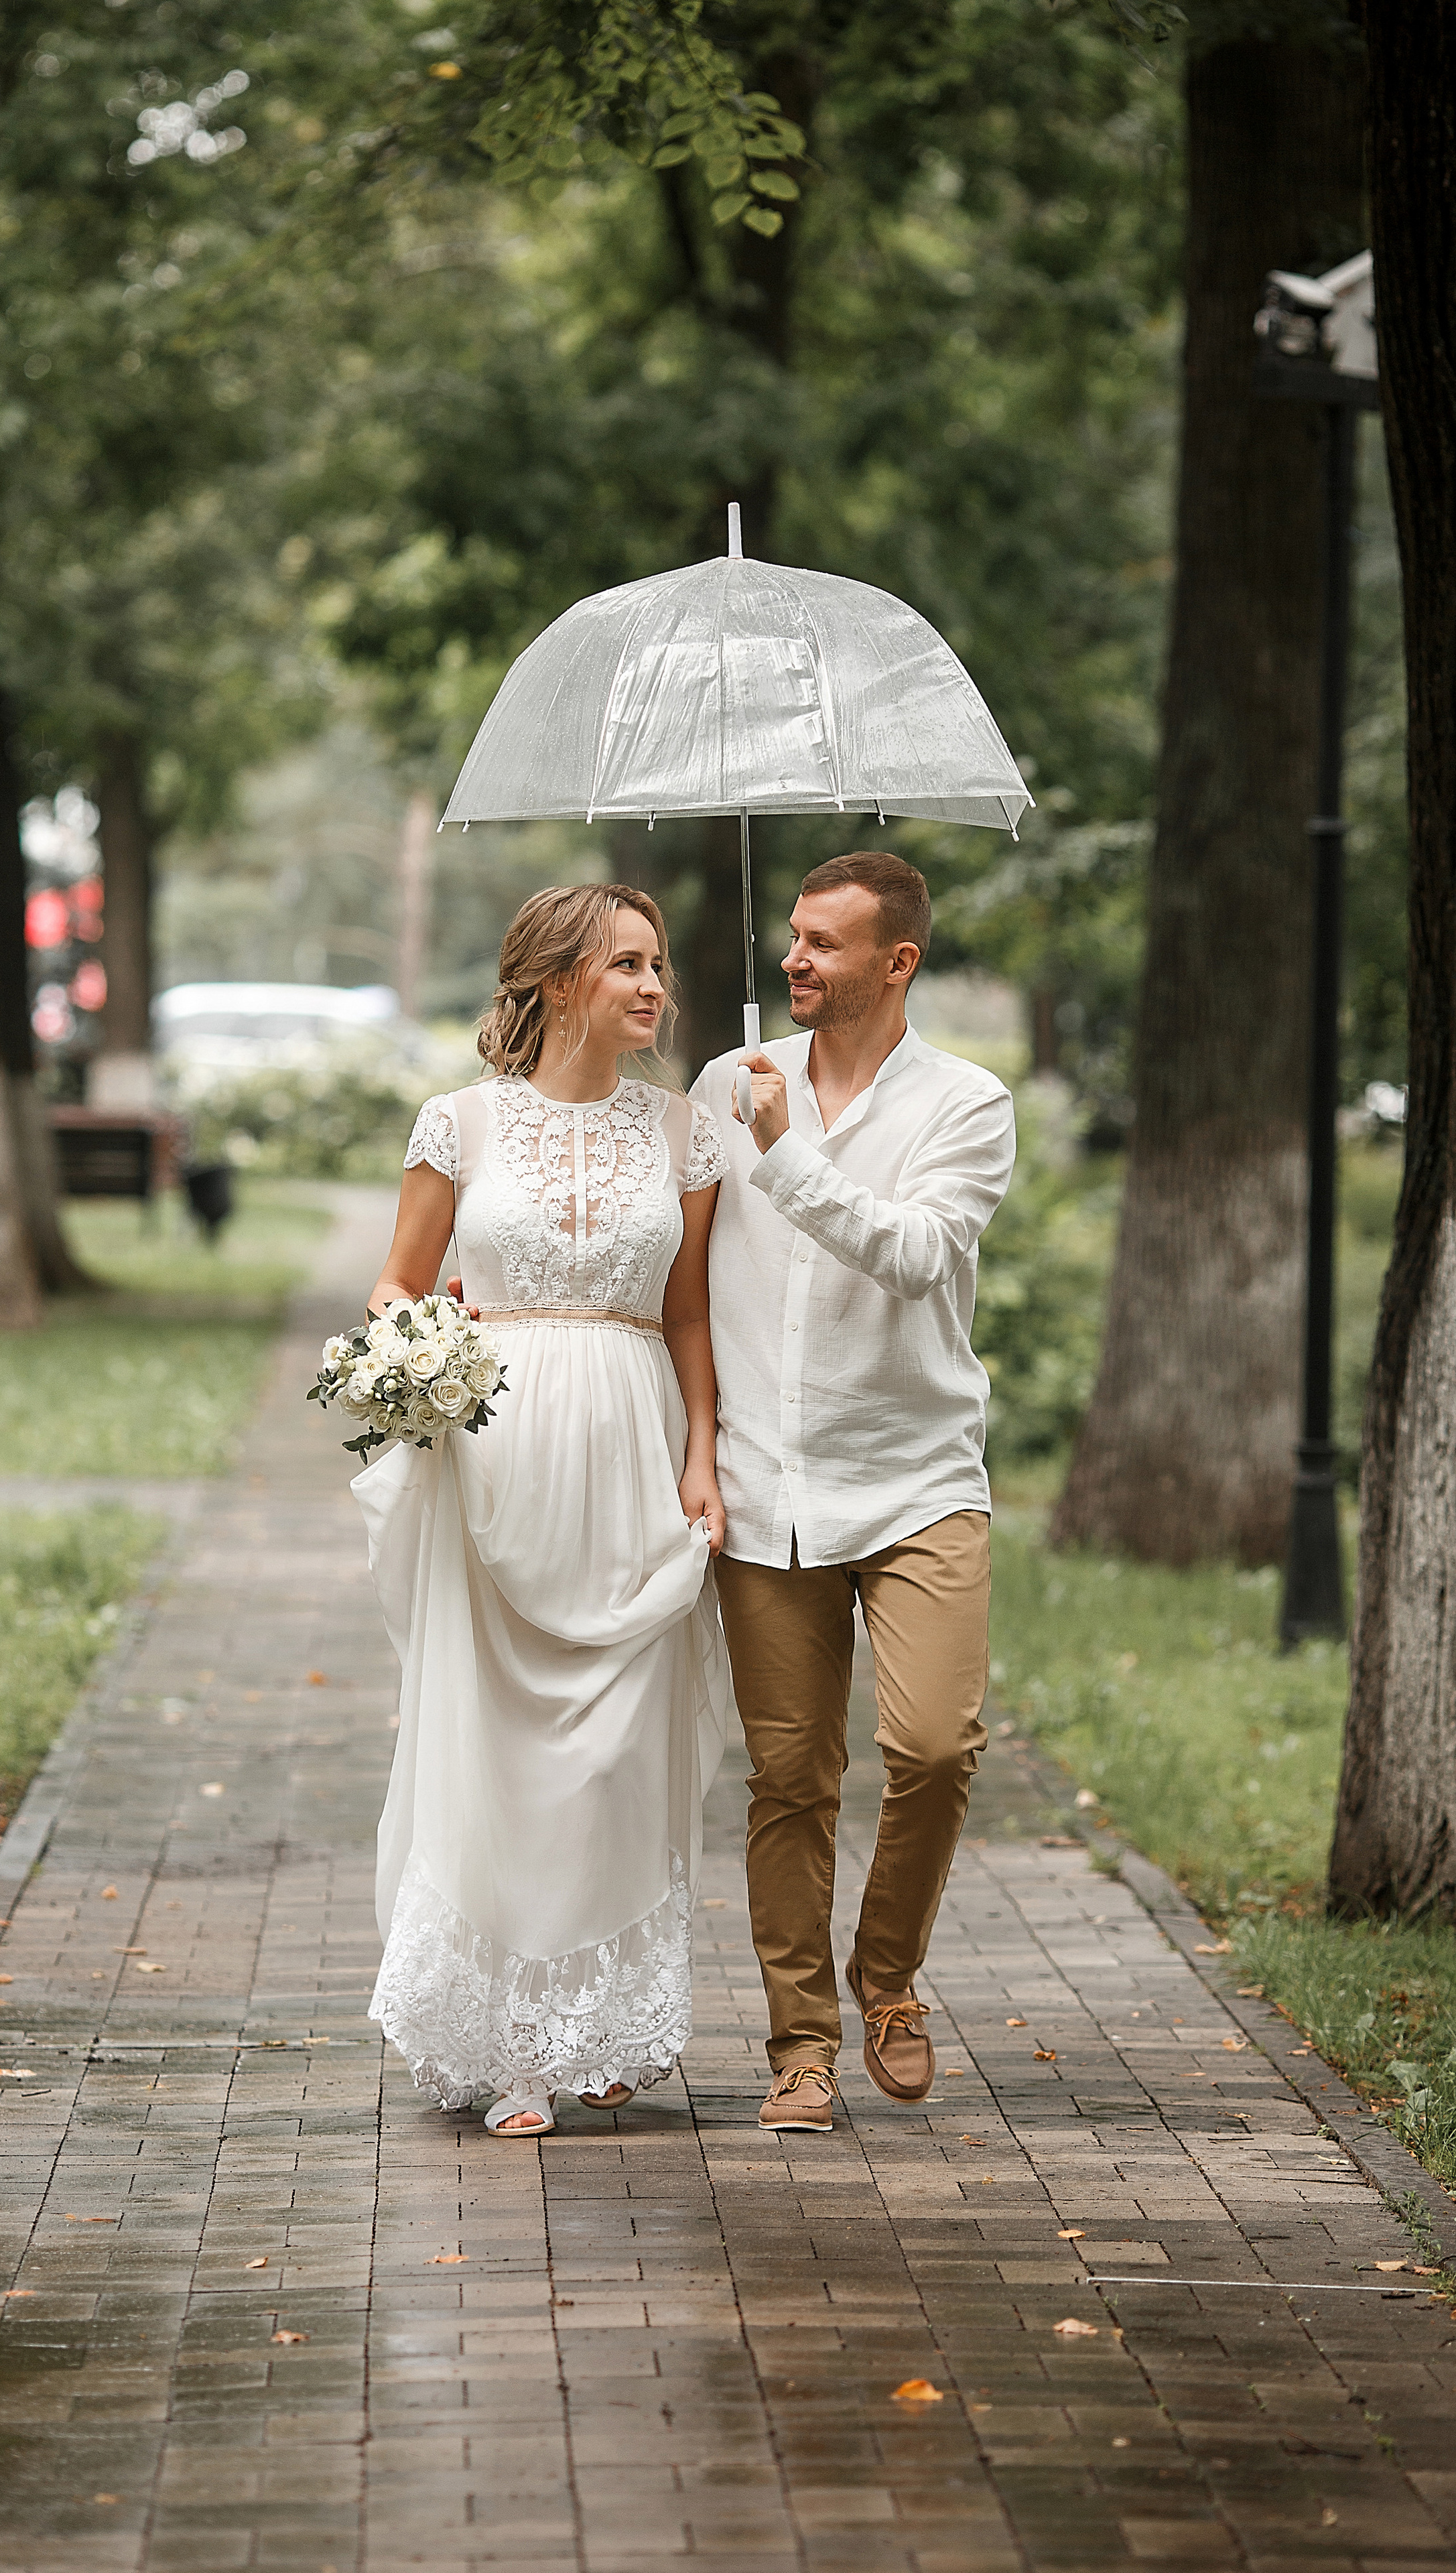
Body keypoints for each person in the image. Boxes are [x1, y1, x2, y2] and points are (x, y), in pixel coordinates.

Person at [354, 884, 734, 2136]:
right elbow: (401, 1287)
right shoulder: (457, 1126)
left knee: (620, 1748)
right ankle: (510, 2041)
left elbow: (686, 1311)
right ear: (559, 979)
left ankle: (600, 2017)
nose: (652, 987)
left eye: (659, 965)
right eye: (626, 964)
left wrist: (703, 1454)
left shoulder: (684, 1133)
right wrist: (419, 1370)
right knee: (500, 1744)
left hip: (632, 1441)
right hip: (495, 1455)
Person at [689, 852, 1015, 2135]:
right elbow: (681, 1267)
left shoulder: (967, 1103)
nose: (795, 960)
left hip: (920, 1474)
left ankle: (888, 1977)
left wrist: (787, 1156)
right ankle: (802, 2046)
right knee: (790, 1778)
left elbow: (922, 1255)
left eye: (825, 943)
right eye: (793, 938)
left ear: (899, 962)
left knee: (935, 1746)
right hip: (766, 1485)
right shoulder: (729, 1084)